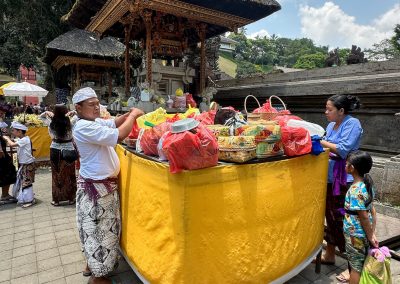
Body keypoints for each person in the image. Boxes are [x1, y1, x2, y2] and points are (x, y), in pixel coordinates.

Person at [72, 87, 144, 284]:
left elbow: (113, 122)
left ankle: (91, 265)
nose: (97, 108)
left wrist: (128, 115)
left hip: (102, 188)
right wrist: (135, 115)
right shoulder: (83, 127)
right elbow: (119, 134)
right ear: (78, 107)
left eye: (97, 103)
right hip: (97, 190)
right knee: (99, 233)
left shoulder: (91, 122)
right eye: (92, 105)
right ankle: (97, 277)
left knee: (96, 230)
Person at [319, 94, 363, 280]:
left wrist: (319, 141)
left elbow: (343, 149)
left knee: (345, 221)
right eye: (326, 109)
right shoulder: (330, 125)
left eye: (330, 109)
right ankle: (329, 254)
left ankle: (353, 266)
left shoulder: (353, 124)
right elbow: (330, 147)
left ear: (341, 111)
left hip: (344, 179)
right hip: (328, 177)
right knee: (330, 216)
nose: (326, 112)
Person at [343, 150, 378, 284]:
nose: (345, 166)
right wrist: (372, 233)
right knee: (361, 261)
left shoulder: (355, 189)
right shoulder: (367, 184)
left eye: (347, 164)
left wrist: (370, 236)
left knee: (355, 267)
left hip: (354, 234)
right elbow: (372, 211)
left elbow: (363, 216)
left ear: (352, 168)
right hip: (363, 232)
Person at [42, 104, 77, 206]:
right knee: (70, 175)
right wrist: (73, 112)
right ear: (66, 111)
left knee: (56, 174)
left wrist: (46, 112)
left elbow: (41, 117)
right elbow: (79, 116)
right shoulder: (70, 121)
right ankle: (71, 199)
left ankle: (56, 200)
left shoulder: (51, 122)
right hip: (68, 149)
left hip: (55, 150)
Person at [3, 121, 36, 208]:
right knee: (24, 182)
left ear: (20, 131)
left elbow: (12, 144)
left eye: (14, 130)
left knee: (26, 182)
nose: (12, 132)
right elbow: (13, 141)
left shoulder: (25, 139)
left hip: (27, 164)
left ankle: (30, 200)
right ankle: (27, 198)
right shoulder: (22, 139)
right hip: (24, 164)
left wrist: (6, 138)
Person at [0, 106, 17, 202]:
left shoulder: (2, 123)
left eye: (3, 113)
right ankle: (4, 195)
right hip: (1, 152)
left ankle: (5, 194)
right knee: (8, 170)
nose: (2, 114)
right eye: (1, 112)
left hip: (3, 150)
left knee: (8, 169)